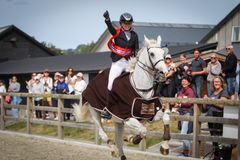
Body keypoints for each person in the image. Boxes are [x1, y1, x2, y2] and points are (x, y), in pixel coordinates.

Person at [102, 10, 139, 118]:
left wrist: (135, 61)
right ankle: (108, 110)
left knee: (132, 84)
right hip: (118, 62)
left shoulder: (134, 35)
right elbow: (110, 29)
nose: (127, 25)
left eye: (129, 23)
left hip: (128, 63)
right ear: (121, 24)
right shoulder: (117, 32)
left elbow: (136, 49)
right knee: (111, 84)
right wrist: (107, 20)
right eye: (125, 23)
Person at [203, 76, 229, 159]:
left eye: (218, 82)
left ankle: (220, 156)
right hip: (210, 117)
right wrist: (205, 100)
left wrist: (209, 100)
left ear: (221, 83)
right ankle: (216, 155)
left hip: (218, 117)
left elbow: (222, 105)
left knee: (218, 137)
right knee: (213, 138)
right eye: (215, 82)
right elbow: (205, 107)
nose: (216, 83)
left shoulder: (224, 92)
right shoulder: (212, 93)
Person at [175, 76, 195, 157]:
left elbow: (189, 103)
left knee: (183, 133)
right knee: (184, 133)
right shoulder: (181, 91)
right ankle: (185, 152)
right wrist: (177, 102)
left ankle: (190, 152)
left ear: (189, 83)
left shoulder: (190, 91)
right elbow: (177, 101)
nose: (183, 82)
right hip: (182, 113)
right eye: (182, 81)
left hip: (188, 113)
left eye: (185, 81)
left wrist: (180, 102)